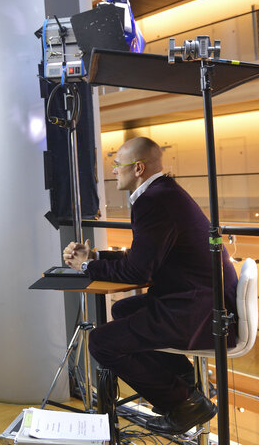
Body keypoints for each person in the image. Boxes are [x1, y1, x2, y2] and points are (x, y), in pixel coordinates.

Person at [63, 137, 238, 435]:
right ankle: (183, 378)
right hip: (199, 300)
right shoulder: (163, 193)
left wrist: (85, 266)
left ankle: (185, 404)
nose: (114, 170)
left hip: (197, 310)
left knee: (102, 342)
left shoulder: (154, 201)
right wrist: (94, 256)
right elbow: (147, 255)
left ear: (139, 168)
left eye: (118, 164)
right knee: (123, 309)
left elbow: (138, 270)